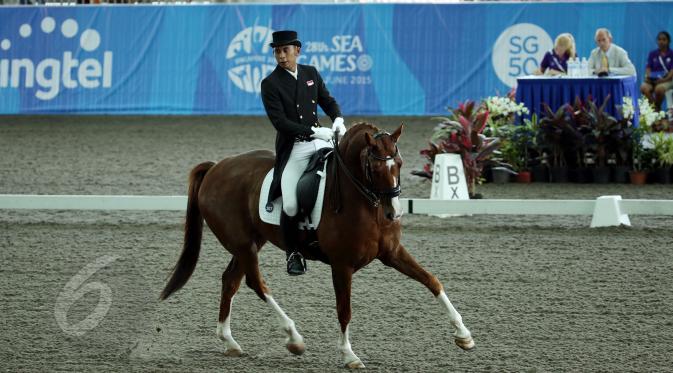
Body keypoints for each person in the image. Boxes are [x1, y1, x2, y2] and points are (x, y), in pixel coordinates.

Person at [261, 30, 346, 276]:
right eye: (277, 51)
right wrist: (313, 131)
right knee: (289, 205)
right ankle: (293, 253)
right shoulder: (270, 84)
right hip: (295, 148)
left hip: (321, 141)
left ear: (297, 50)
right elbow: (280, 123)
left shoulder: (310, 73)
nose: (280, 56)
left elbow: (327, 101)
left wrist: (338, 118)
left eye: (285, 50)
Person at [640, 31, 673, 111]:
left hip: (668, 79)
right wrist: (648, 77)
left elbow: (672, 71)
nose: (661, 42)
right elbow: (648, 68)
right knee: (643, 88)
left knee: (659, 89)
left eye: (664, 39)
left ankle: (655, 110)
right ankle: (657, 109)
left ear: (668, 41)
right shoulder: (653, 53)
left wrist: (663, 80)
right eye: (659, 39)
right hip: (653, 80)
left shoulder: (672, 54)